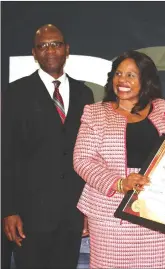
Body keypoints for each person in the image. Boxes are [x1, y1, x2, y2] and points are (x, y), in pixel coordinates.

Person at [73, 50, 165, 268]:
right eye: (118, 74)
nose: (122, 80)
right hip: (111, 216)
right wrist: (120, 183)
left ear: (145, 80)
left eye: (131, 75)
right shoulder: (95, 113)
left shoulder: (164, 108)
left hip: (159, 214)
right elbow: (82, 159)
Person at [1, 24, 94, 269]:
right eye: (43, 46)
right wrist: (8, 210)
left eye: (56, 44)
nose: (50, 50)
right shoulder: (16, 92)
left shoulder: (85, 94)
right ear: (34, 53)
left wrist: (87, 210)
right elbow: (6, 154)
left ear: (66, 50)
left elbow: (89, 156)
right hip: (29, 216)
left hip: (71, 215)